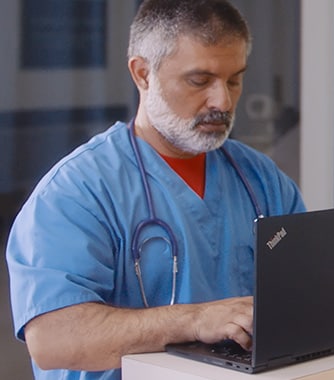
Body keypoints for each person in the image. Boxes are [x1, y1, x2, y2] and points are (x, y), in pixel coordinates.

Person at [6, 1, 306, 379]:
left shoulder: (260, 179)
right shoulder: (76, 192)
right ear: (143, 73)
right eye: (200, 80)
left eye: (234, 80)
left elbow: (307, 289)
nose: (223, 102)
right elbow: (52, 339)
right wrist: (195, 320)